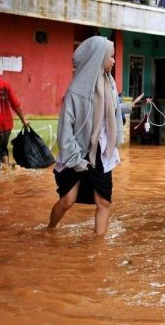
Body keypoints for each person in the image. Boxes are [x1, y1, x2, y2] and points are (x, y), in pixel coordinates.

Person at [48, 36, 124, 236]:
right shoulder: (75, 92)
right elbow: (65, 130)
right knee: (67, 200)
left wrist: (127, 108)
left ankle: (97, 249)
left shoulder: (110, 84)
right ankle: (49, 231)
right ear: (99, 58)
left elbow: (109, 111)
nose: (114, 61)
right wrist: (74, 158)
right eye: (111, 57)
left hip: (101, 150)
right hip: (78, 152)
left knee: (104, 201)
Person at [0, 64, 28, 168]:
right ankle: (6, 169)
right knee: (3, 148)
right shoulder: (5, 85)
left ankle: (0, 171)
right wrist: (23, 119)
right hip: (6, 125)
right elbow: (15, 104)